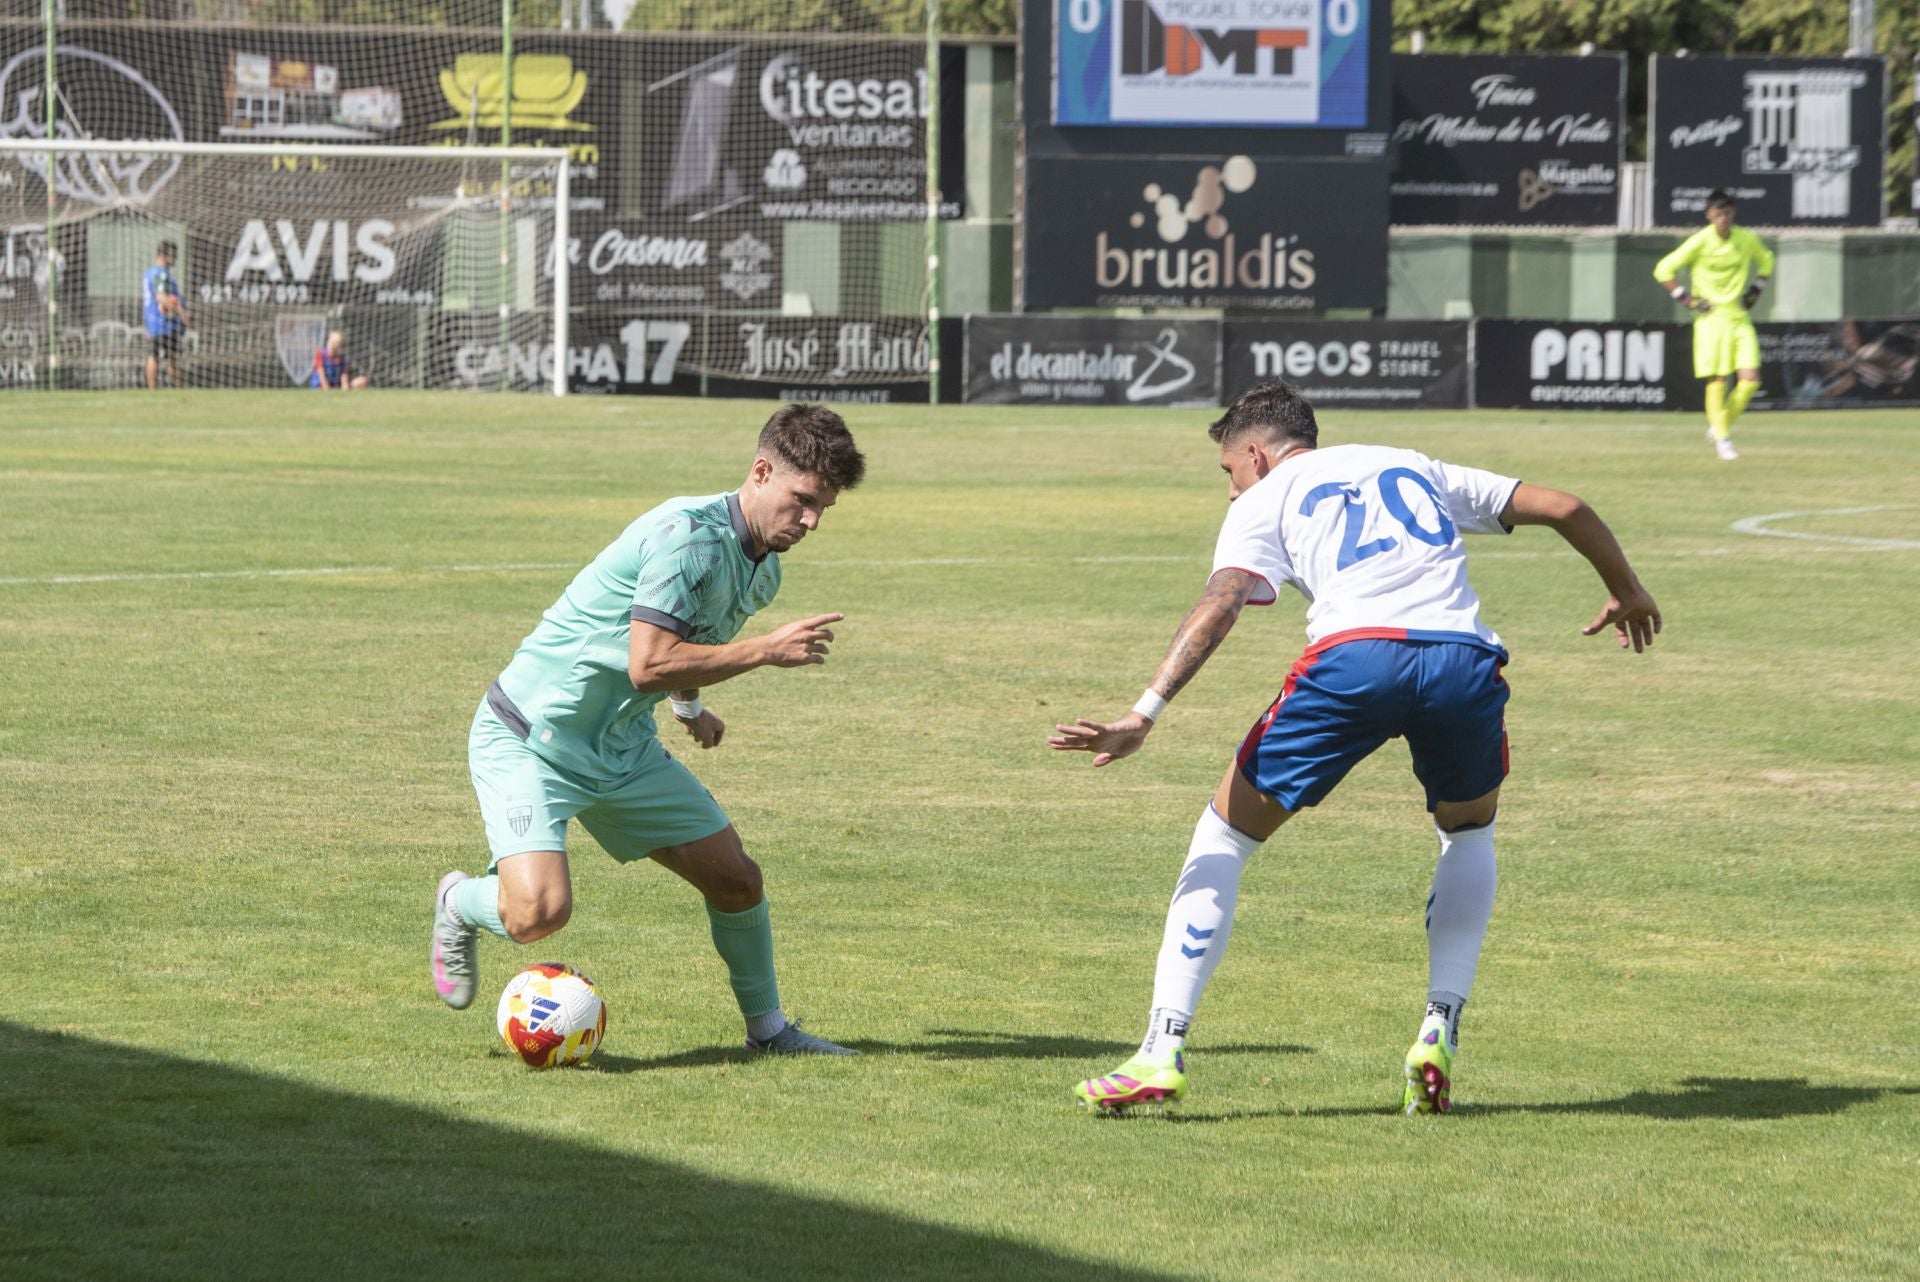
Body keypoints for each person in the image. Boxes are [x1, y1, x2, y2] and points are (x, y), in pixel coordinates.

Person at [1050, 381, 1660, 1115]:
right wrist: (1625, 588)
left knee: (1224, 835)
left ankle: (1160, 1051)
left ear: (1255, 454)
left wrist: (1144, 714)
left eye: (1227, 473)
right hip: (1460, 660)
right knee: (1468, 833)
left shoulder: (1264, 498)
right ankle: (1439, 1029)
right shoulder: (1412, 462)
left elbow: (1224, 598)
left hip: (1356, 661)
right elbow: (1564, 507)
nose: (1229, 490)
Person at [431, 404, 866, 1056]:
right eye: (802, 500)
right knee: (539, 915)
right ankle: (459, 901)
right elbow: (648, 664)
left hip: (621, 749)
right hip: (533, 736)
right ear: (760, 470)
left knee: (737, 880)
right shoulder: (686, 538)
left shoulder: (763, 565)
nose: (810, 521)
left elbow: (686, 641)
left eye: (823, 509)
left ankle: (770, 1034)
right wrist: (765, 651)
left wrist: (689, 708)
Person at [1653, 189, 1774, 461]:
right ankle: (1723, 442)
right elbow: (1663, 269)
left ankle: (1718, 426)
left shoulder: (1746, 239)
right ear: (1709, 215)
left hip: (1738, 318)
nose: (1723, 219)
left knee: (1750, 381)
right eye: (1718, 214)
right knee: (1717, 380)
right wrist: (1687, 300)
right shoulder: (1700, 241)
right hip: (1711, 321)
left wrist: (1757, 288)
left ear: (1733, 213)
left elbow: (1767, 260)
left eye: (1728, 213)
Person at [142, 241, 188, 390]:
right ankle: (179, 389)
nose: (175, 259)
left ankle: (152, 391)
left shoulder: (149, 273)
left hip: (153, 323)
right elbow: (161, 297)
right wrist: (181, 312)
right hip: (164, 323)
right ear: (166, 255)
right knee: (172, 358)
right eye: (173, 255)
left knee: (153, 355)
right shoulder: (161, 273)